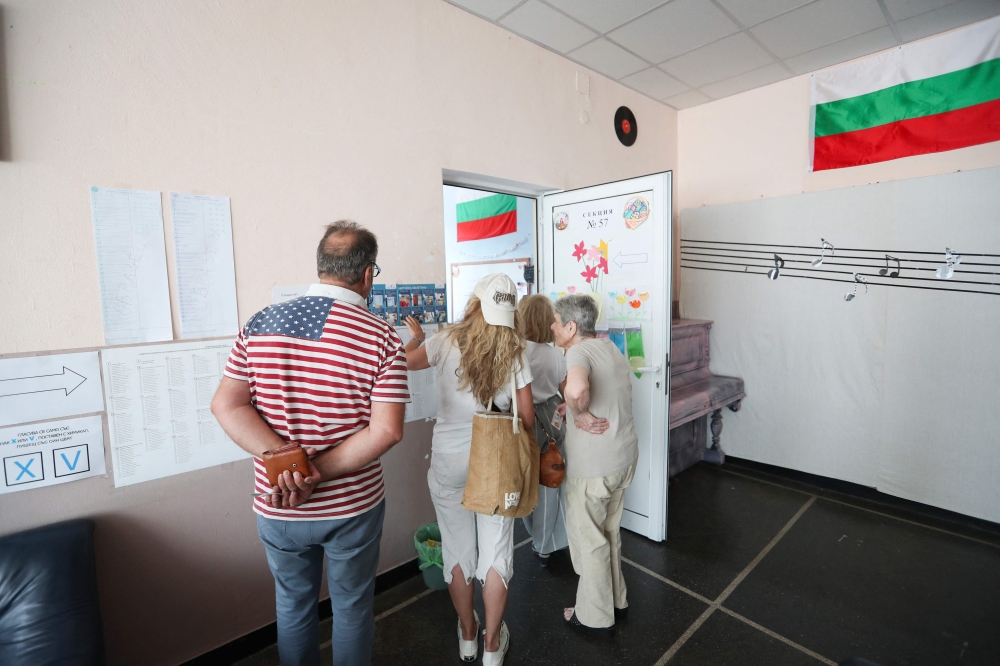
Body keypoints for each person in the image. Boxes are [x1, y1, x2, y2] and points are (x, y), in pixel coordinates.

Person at [211, 221, 409, 666]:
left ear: (321, 267)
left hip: (278, 503)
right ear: (368, 275)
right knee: (352, 608)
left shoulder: (259, 323)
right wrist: (315, 473)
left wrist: (287, 465)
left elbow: (226, 404)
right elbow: (387, 430)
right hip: (352, 507)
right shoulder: (381, 336)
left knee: (293, 607)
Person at [404, 274, 534, 666]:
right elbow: (526, 418)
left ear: (475, 303)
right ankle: (493, 646)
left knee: (458, 552)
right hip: (494, 461)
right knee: (495, 554)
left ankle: (467, 635)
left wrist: (415, 337)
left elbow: (407, 363)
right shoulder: (515, 350)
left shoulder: (444, 340)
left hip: (448, 459)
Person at [551, 294, 638, 636]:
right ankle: (617, 600)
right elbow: (603, 392)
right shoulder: (609, 347)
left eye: (556, 323)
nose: (553, 329)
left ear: (571, 327)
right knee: (609, 535)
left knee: (589, 542)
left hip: (594, 470)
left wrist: (578, 410)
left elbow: (576, 389)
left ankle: (594, 616)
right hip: (622, 459)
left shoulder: (577, 351)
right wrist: (572, 411)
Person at [516, 294, 569, 566]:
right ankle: (544, 544)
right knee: (550, 480)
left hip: (519, 420)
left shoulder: (515, 350)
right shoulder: (556, 355)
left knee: (522, 478)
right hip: (551, 417)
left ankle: (530, 528)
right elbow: (565, 390)